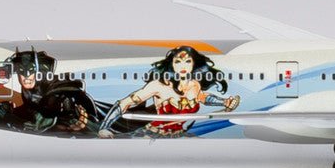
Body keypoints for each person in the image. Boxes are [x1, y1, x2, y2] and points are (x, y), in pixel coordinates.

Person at [97, 45, 239, 138]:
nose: (183, 66)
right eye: (178, 62)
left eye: (187, 61)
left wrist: (225, 102)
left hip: (179, 136)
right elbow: (125, 103)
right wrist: (104, 128)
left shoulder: (194, 85)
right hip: (151, 136)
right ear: (172, 64)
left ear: (193, 64)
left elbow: (202, 97)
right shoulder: (158, 86)